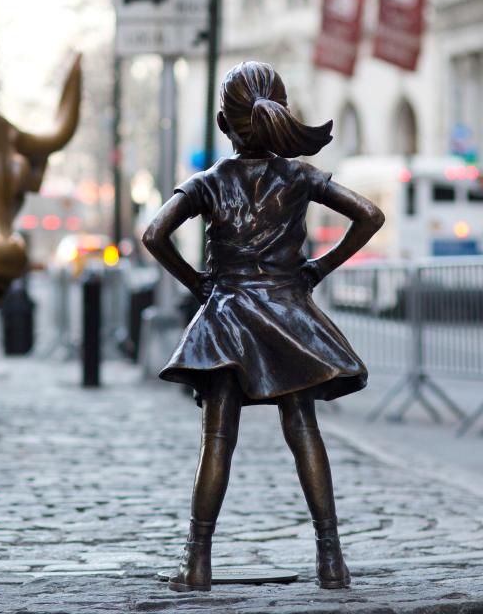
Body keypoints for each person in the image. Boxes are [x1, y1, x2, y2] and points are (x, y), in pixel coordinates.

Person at [142, 62, 384, 592]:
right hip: (286, 314)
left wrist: (198, 283)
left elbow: (154, 234)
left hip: (226, 317)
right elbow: (369, 215)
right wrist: (317, 268)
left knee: (218, 440)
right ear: (278, 115)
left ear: (223, 124)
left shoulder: (209, 182)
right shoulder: (298, 177)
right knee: (303, 430)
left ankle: (197, 562)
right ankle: (331, 561)